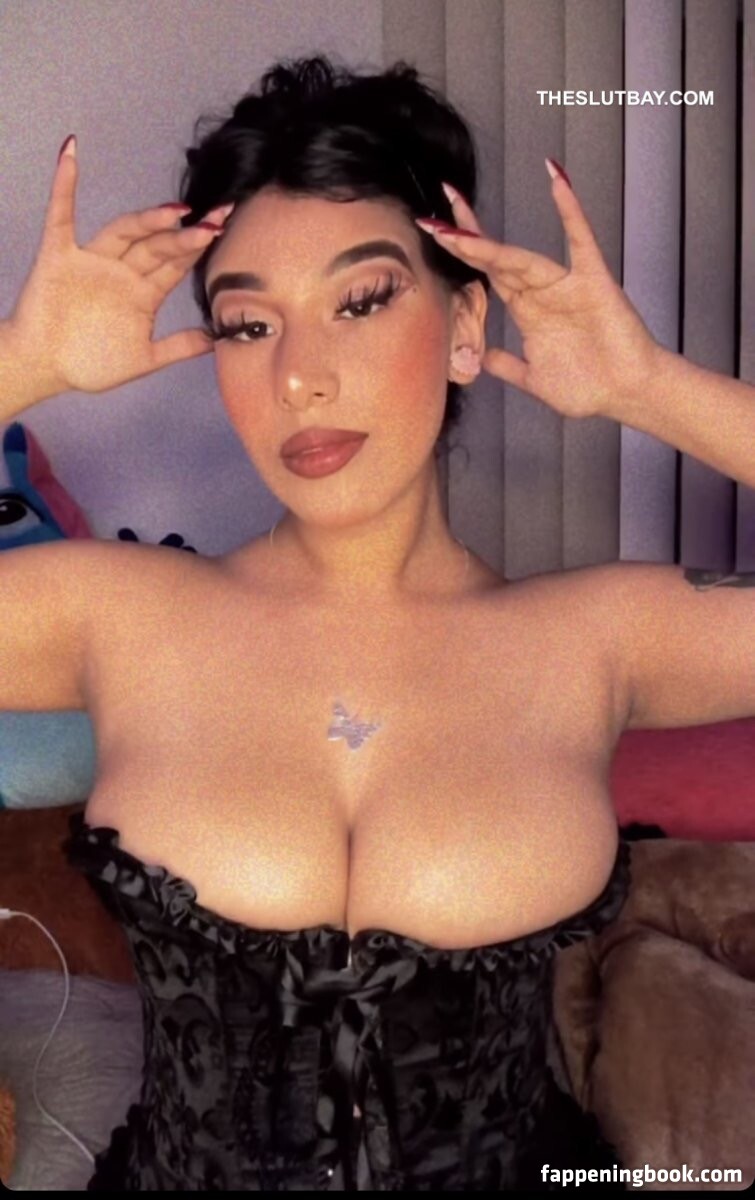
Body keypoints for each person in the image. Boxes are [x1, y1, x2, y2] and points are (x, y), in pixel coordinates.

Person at [1, 54, 752, 1192]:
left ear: (464, 324)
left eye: (359, 302)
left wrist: (647, 385)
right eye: (246, 325)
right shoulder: (114, 613)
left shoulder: (600, 636)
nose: (300, 377)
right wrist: (23, 363)